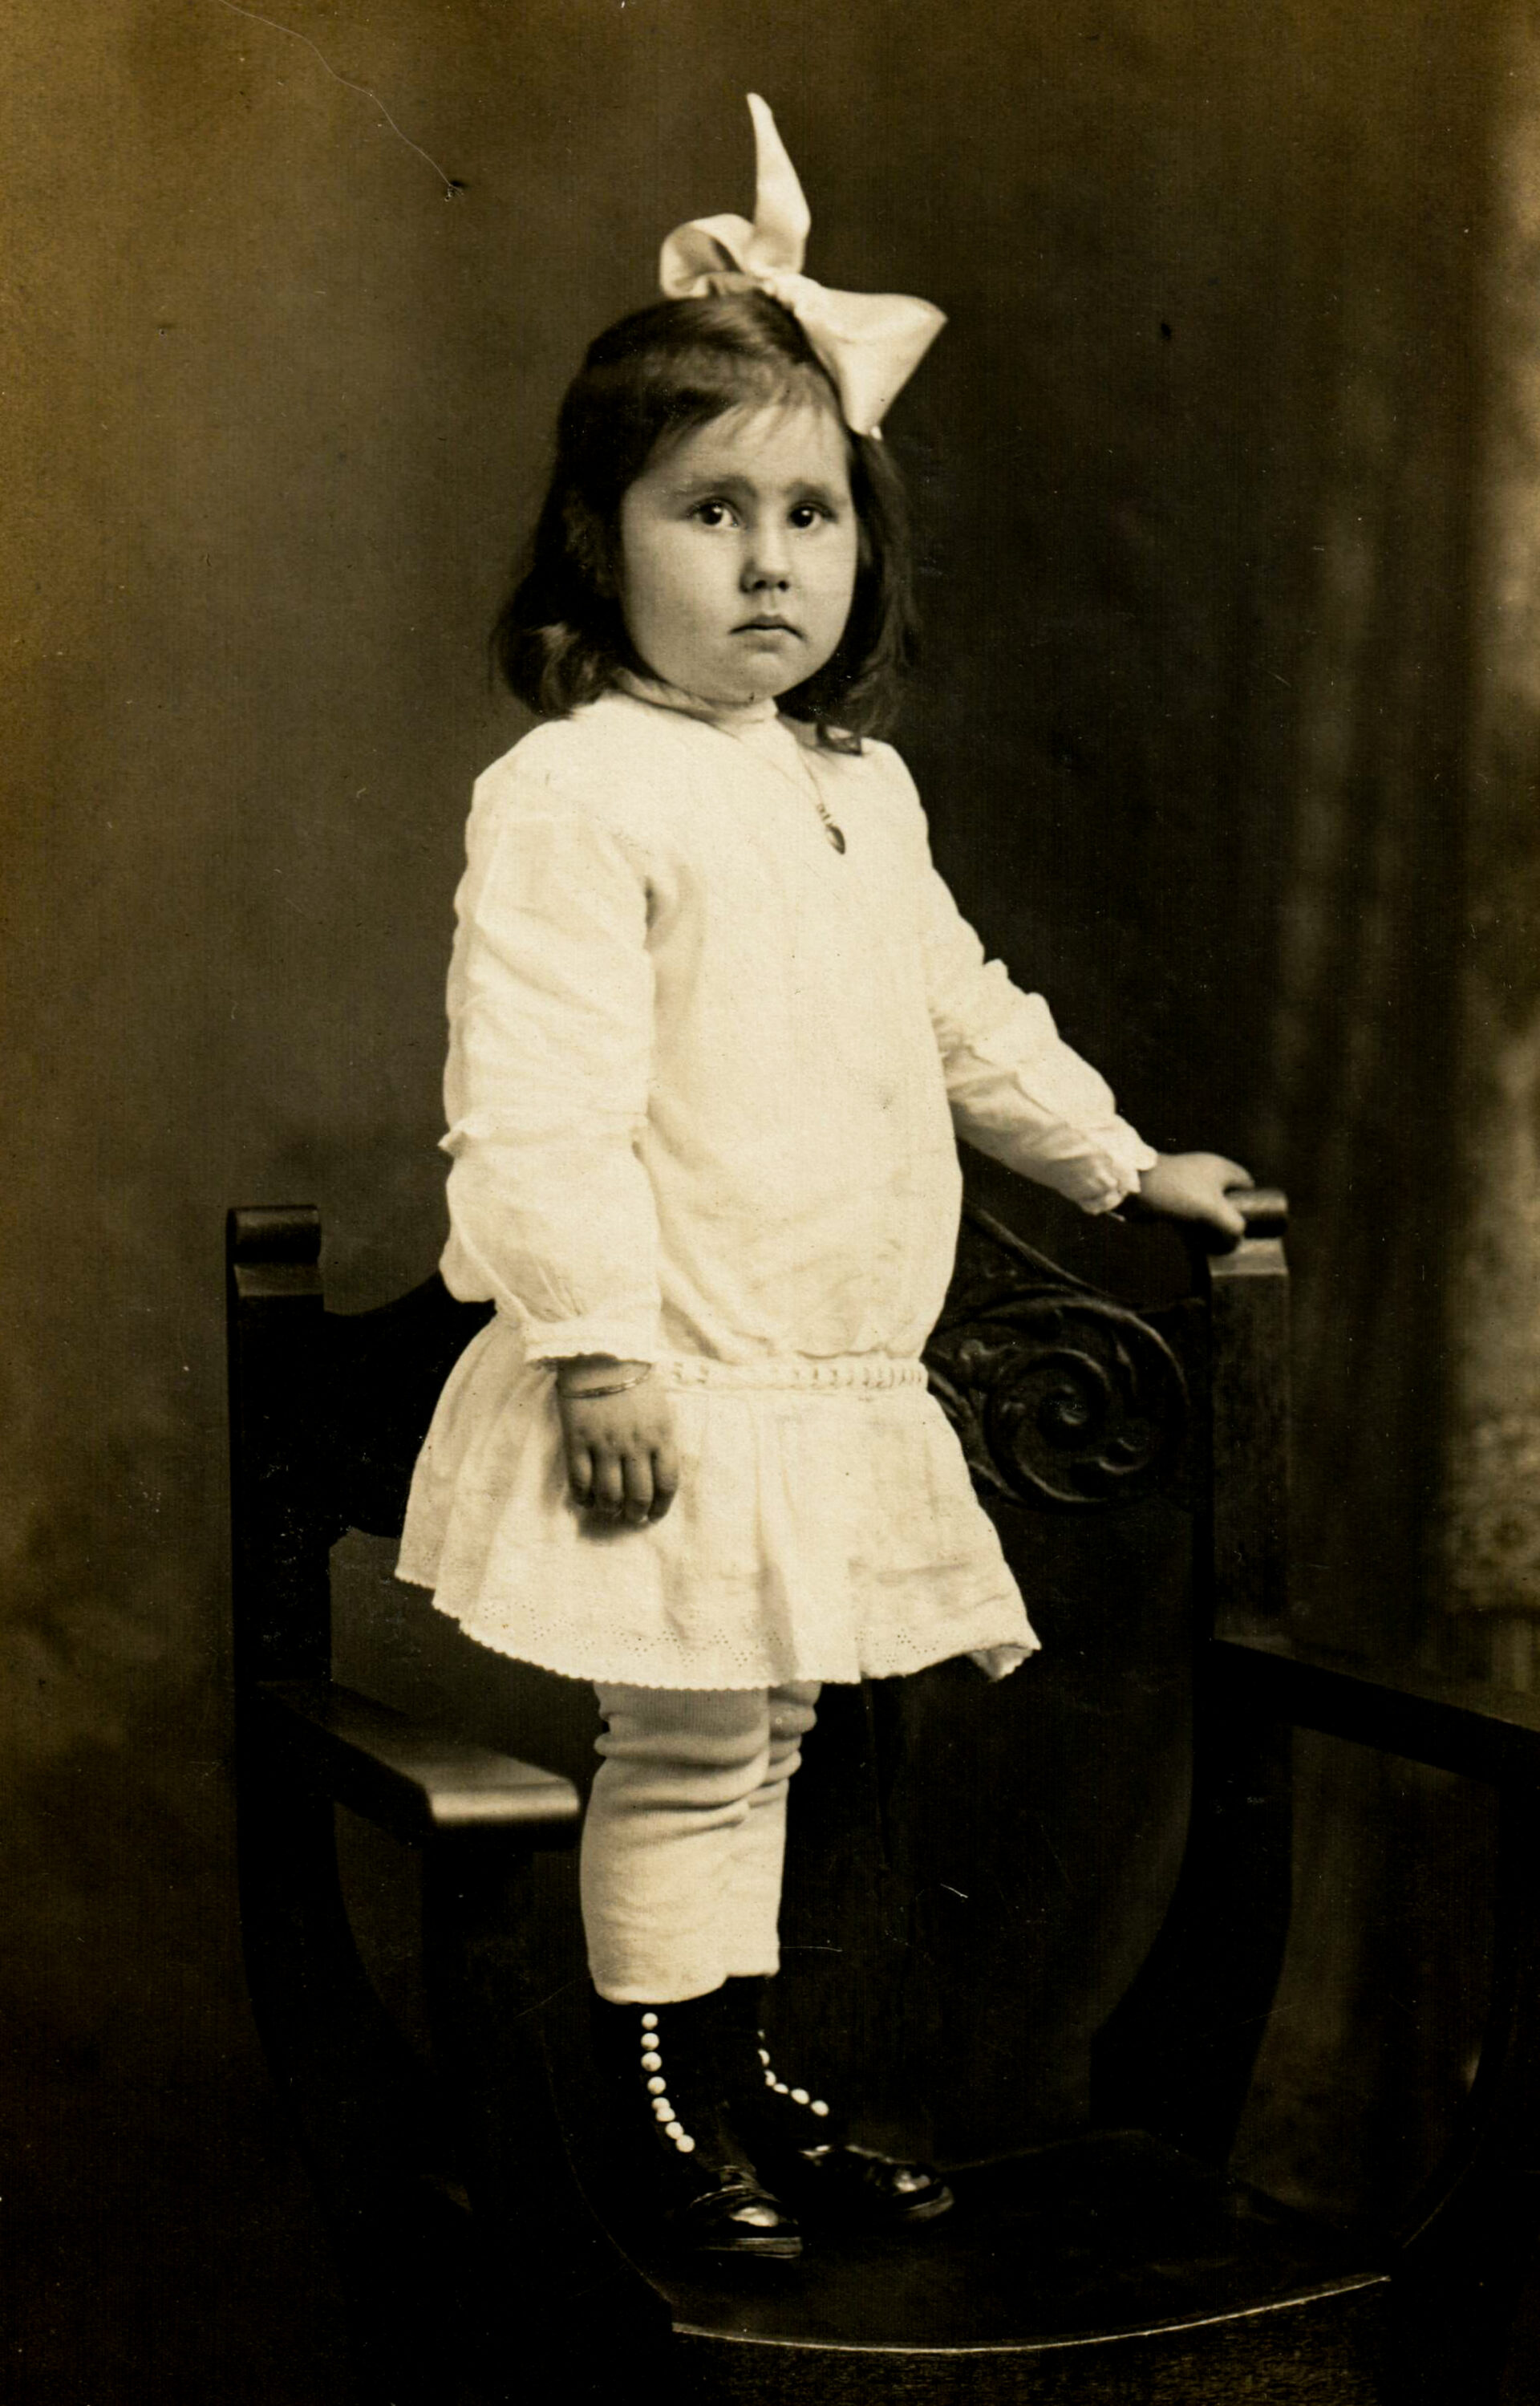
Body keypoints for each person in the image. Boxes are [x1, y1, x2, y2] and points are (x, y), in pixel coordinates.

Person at [397, 96, 1251, 2262]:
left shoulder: (859, 791)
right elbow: (540, 1094)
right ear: (605, 542)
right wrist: (593, 1349)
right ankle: (661, 2105)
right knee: (686, 1744)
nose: (771, 561)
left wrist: (1126, 1163)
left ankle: (747, 2066)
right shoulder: (579, 793)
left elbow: (964, 1015)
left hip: (826, 1370)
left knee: (764, 1732)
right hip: (680, 1372)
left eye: (811, 512)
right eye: (711, 512)